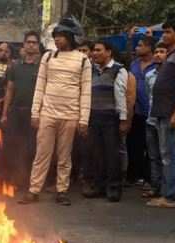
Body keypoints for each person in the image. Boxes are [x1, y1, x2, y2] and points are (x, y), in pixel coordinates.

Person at [19, 16, 91, 206]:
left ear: (71, 37)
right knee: (42, 154)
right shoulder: (48, 56)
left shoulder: (83, 60)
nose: (57, 39)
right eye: (56, 36)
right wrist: (36, 113)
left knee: (64, 156)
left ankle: (62, 191)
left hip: (70, 116)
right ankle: (34, 190)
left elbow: (86, 92)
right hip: (47, 114)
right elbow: (40, 87)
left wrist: (83, 119)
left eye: (61, 36)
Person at [146, 20, 175, 209]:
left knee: (169, 155)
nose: (164, 35)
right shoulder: (172, 54)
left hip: (169, 112)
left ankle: (170, 196)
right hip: (162, 111)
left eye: (168, 32)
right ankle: (174, 193)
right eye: (163, 32)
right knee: (167, 154)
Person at [82, 40, 128, 202]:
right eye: (93, 51)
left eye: (98, 50)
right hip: (93, 117)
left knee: (112, 154)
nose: (94, 53)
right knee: (95, 153)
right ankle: (97, 186)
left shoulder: (119, 70)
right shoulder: (89, 70)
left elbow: (121, 96)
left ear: (109, 52)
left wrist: (123, 120)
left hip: (110, 118)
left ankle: (113, 187)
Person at [0, 31, 41, 191]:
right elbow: (9, 90)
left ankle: (30, 182)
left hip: (34, 113)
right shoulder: (15, 66)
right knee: (14, 147)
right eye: (28, 42)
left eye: (34, 42)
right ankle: (13, 181)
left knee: (32, 148)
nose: (31, 45)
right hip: (16, 112)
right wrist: (4, 114)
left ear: (38, 46)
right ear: (23, 45)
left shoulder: (43, 66)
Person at [127, 36, 156, 186]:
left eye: (140, 45)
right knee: (133, 144)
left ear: (149, 48)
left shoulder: (157, 66)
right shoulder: (134, 64)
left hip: (151, 112)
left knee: (150, 146)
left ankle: (148, 177)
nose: (137, 48)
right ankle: (133, 175)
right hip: (135, 111)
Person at [144, 42, 168, 199]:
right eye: (156, 51)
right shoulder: (149, 75)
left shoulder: (173, 74)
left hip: (166, 120)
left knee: (167, 157)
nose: (158, 54)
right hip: (151, 120)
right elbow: (149, 95)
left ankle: (171, 189)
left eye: (162, 51)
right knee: (154, 156)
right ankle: (155, 187)